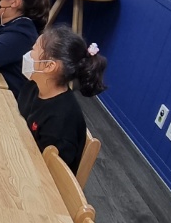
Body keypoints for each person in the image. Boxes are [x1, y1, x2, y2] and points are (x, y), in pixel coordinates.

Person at [17, 27, 107, 174]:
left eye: (34, 49)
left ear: (49, 66)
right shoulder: (33, 86)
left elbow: (48, 173)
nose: (29, 54)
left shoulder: (61, 123)